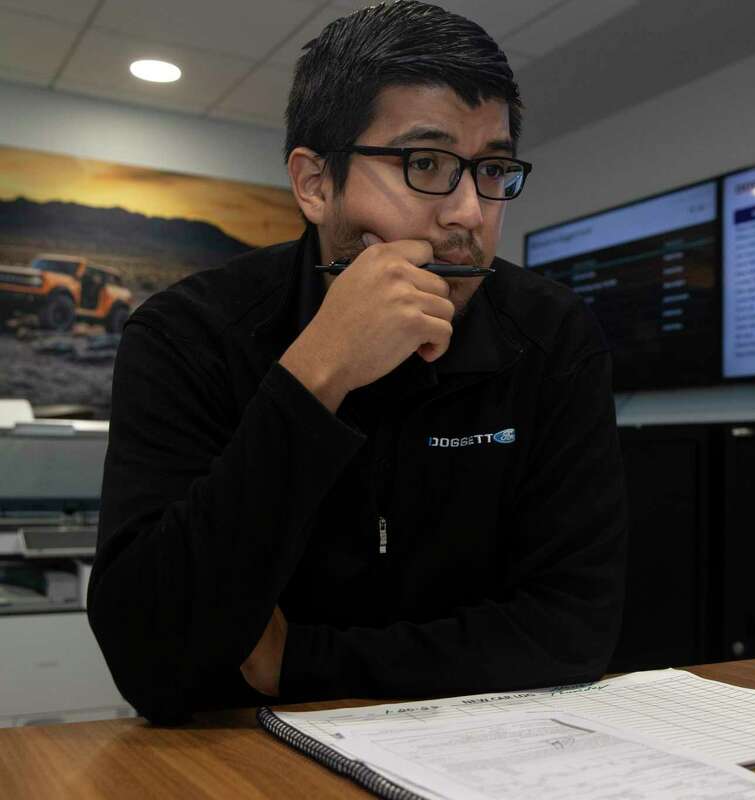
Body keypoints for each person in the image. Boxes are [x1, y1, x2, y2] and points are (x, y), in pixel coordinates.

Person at [87, 1, 628, 724]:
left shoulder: (553, 336)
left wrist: (299, 660)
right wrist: (315, 376)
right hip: (234, 752)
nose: (470, 213)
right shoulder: (189, 333)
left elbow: (574, 631)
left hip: (482, 746)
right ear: (315, 184)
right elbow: (149, 660)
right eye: (425, 163)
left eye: (493, 169)